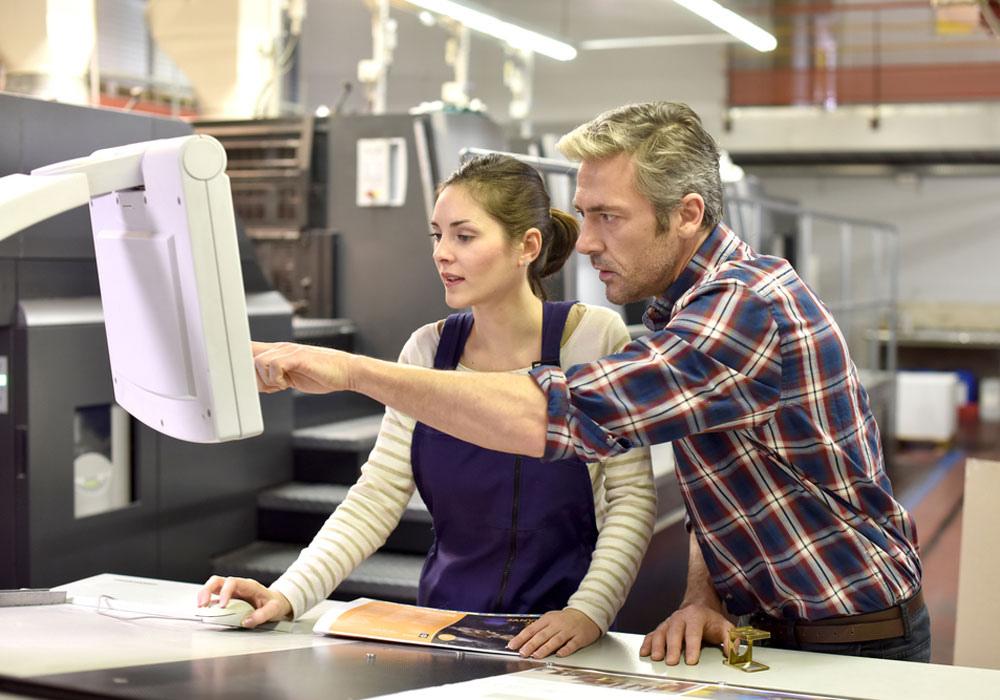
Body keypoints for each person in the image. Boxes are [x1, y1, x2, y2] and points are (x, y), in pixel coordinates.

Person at [247, 102, 928, 664]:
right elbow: (722, 489)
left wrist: (349, 372)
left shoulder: (741, 311)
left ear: (686, 214)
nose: (591, 240)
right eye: (587, 212)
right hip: (769, 630)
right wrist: (704, 594)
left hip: (852, 639)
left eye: (610, 216)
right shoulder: (678, 312)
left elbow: (561, 414)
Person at [198, 153, 656, 660]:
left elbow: (631, 499)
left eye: (464, 236)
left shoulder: (593, 337)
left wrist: (588, 612)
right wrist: (287, 594)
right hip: (443, 623)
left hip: (559, 629)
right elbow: (376, 496)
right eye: (436, 235)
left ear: (527, 245)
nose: (442, 253)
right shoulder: (425, 351)